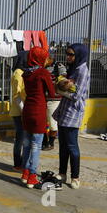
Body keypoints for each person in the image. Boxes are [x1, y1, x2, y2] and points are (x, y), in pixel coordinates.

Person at [52, 43, 90, 189]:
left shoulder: (82, 71)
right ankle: (62, 173)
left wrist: (60, 91)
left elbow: (77, 95)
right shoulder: (73, 69)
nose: (68, 57)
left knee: (72, 145)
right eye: (67, 54)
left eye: (71, 54)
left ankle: (75, 177)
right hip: (64, 110)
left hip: (73, 112)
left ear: (78, 55)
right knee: (62, 145)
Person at [20, 47, 56, 189]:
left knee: (27, 144)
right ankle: (32, 176)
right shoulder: (43, 73)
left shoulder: (26, 73)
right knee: (36, 145)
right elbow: (52, 92)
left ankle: (25, 173)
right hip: (39, 111)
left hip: (27, 110)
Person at [10, 51, 29, 171]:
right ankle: (18, 163)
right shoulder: (18, 73)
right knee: (20, 138)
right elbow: (16, 95)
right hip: (19, 111)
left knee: (23, 137)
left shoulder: (24, 72)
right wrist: (23, 111)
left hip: (23, 109)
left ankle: (21, 162)